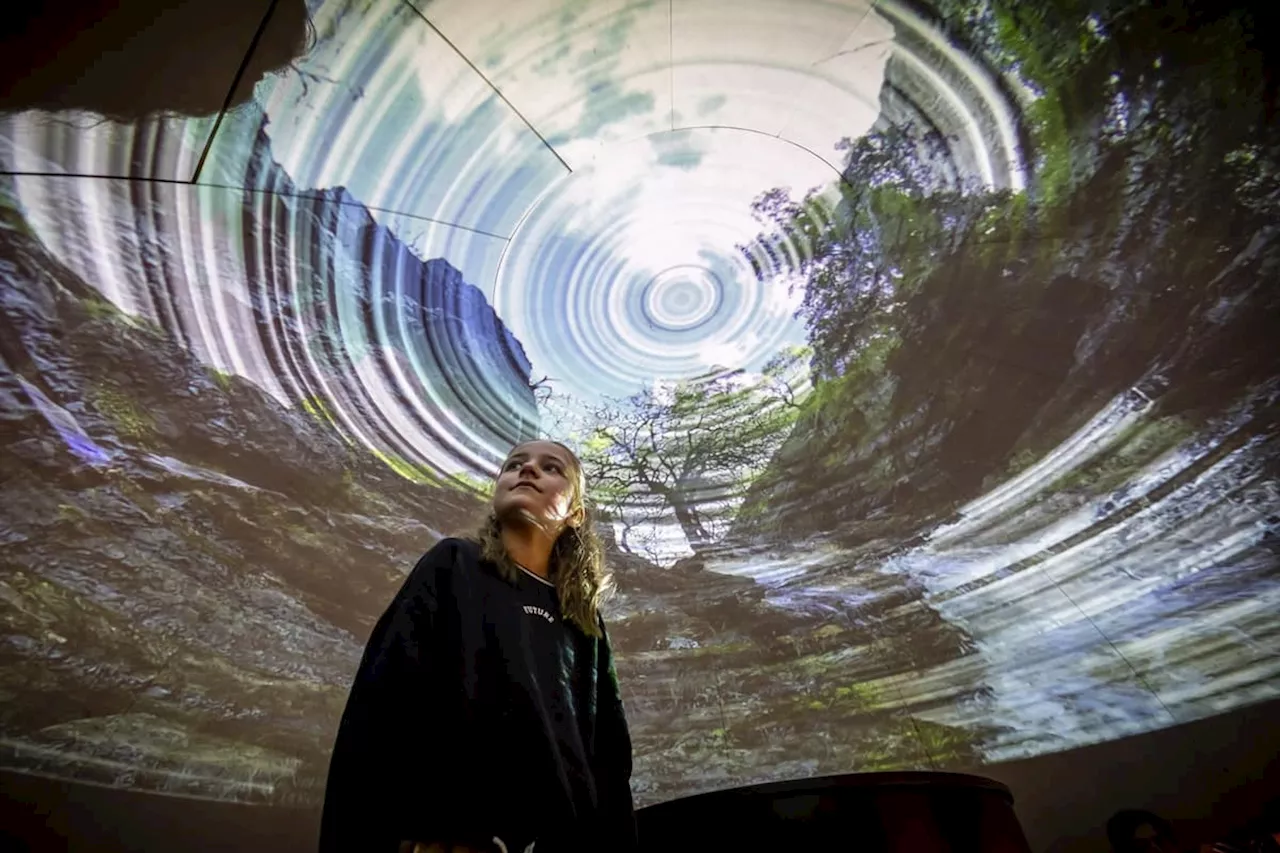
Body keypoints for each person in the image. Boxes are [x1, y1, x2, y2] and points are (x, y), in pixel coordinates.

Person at [317, 439, 637, 853]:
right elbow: (387, 695)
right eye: (515, 464)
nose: (527, 470)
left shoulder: (584, 622)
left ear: (575, 514)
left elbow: (607, 757)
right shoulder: (453, 564)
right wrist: (426, 822)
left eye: (551, 468)